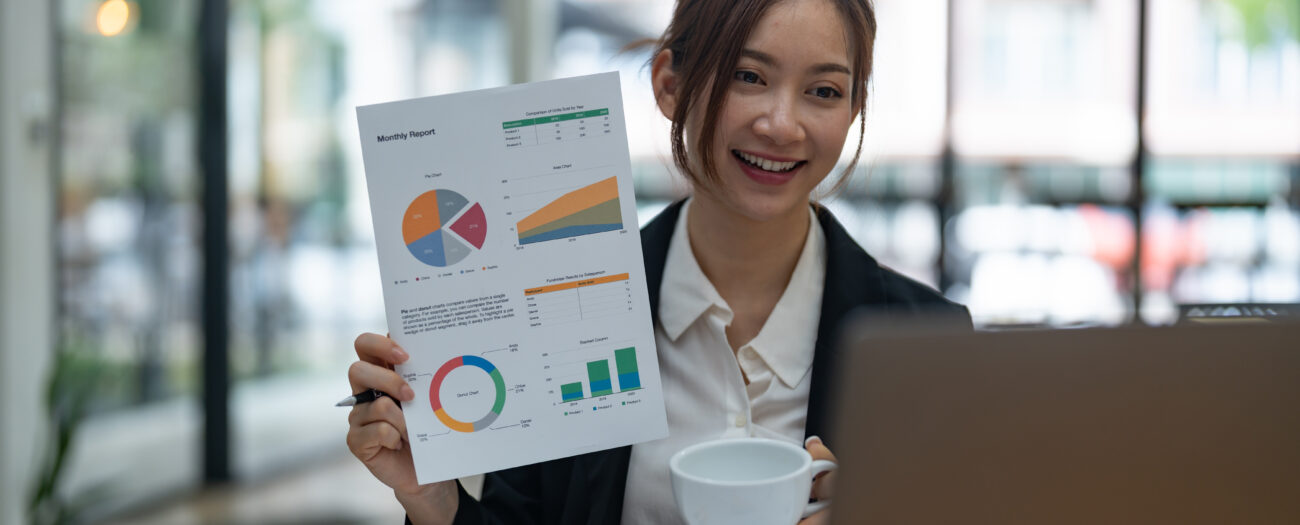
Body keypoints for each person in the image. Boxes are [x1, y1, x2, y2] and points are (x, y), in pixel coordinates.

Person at [346, 0, 971, 523]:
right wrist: (432, 499)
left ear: (854, 109)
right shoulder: (560, 306)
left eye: (824, 91)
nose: (782, 124)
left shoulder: (928, 342)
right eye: (748, 77)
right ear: (670, 84)